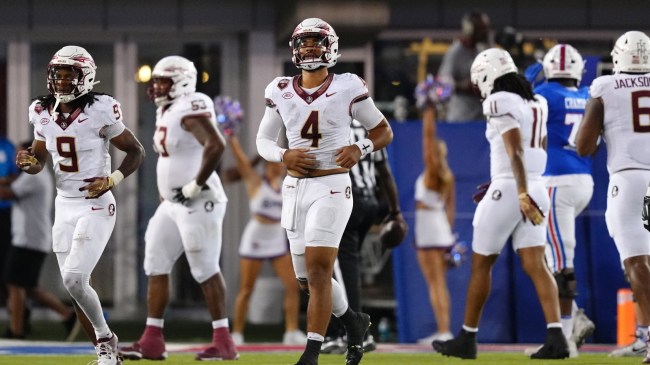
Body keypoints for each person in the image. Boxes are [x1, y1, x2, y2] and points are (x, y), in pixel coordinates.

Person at [256, 17, 393, 365]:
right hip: (295, 188)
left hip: (332, 184)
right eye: (303, 43)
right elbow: (263, 140)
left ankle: (312, 353)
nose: (308, 48)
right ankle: (353, 322)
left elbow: (383, 131)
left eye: (315, 42)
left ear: (330, 47)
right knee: (307, 280)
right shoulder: (280, 89)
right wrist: (283, 154)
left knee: (319, 271)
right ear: (294, 49)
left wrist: (360, 148)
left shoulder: (348, 86)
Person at [432, 48, 569, 360]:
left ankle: (467, 338)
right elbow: (539, 148)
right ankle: (557, 336)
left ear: (485, 75)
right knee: (537, 264)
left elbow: (515, 151)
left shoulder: (498, 100)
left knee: (482, 263)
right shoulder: (537, 102)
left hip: (514, 187)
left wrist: (516, 191)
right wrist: (523, 187)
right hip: (537, 185)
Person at [16, 45, 145, 365]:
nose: (60, 80)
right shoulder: (41, 110)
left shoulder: (101, 108)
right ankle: (106, 350)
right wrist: (28, 162)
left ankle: (106, 342)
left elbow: (136, 151)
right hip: (65, 205)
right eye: (56, 73)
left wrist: (112, 179)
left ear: (84, 77)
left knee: (74, 278)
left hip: (96, 204)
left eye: (68, 74)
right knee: (76, 287)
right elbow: (39, 160)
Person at [119, 55, 238, 361]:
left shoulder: (190, 105)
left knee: (204, 267)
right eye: (156, 81)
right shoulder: (168, 109)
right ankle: (152, 340)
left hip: (199, 200)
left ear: (182, 82)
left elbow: (216, 144)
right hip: (173, 202)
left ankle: (224, 341)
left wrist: (195, 184)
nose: (157, 87)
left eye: (163, 81)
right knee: (155, 262)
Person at [576, 30, 650, 364]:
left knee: (636, 263)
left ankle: (649, 338)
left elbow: (584, 146)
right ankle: (644, 335)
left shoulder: (605, 87)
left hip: (629, 179)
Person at [320, 118, 405, 354]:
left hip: (347, 198)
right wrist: (395, 211)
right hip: (370, 202)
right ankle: (343, 331)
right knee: (348, 267)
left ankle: (353, 332)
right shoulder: (368, 127)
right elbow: (385, 174)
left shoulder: (333, 124)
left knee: (337, 266)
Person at [534, 44, 595, 357]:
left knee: (561, 266)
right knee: (547, 257)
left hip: (557, 181)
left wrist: (533, 73)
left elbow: (527, 106)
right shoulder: (588, 94)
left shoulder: (544, 93)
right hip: (584, 179)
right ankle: (575, 319)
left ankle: (567, 340)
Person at [224, 127, 306, 345]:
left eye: (281, 164)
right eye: (276, 163)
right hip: (255, 238)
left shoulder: (287, 184)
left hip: (276, 239)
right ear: (268, 164)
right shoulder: (256, 182)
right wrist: (231, 138)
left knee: (291, 285)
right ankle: (238, 333)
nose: (279, 166)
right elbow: (242, 163)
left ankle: (291, 331)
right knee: (246, 288)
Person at [1, 141, 76, 339]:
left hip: (29, 239)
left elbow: (7, 193)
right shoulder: (34, 175)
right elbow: (9, 182)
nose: (16, 159)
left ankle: (16, 331)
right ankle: (67, 316)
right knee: (28, 286)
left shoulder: (32, 177)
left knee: (14, 283)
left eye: (20, 155)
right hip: (32, 238)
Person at [412, 83, 457, 345]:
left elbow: (427, 138)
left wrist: (429, 109)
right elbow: (450, 211)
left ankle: (444, 331)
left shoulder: (431, 173)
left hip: (429, 229)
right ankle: (444, 330)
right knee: (438, 283)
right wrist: (449, 237)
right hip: (440, 227)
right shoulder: (447, 176)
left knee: (435, 283)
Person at [437, 10, 491, 123]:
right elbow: (442, 83)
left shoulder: (482, 50)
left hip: (480, 116)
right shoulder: (455, 52)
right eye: (482, 29)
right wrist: (465, 86)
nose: (485, 32)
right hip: (460, 117)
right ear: (470, 29)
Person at [0, 135, 19, 306]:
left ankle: (11, 303)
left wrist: (5, 181)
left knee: (5, 255)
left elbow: (17, 174)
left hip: (4, 210)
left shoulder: (7, 146)